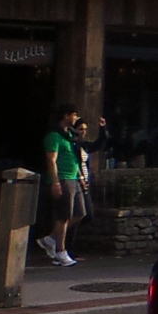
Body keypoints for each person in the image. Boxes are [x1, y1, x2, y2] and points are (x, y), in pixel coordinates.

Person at [37, 107, 102, 268]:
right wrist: (55, 182)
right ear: (66, 115)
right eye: (74, 115)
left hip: (74, 177)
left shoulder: (70, 135)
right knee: (64, 216)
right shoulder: (54, 136)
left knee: (80, 213)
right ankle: (60, 251)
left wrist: (80, 177)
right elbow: (51, 160)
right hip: (63, 178)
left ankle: (51, 239)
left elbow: (75, 158)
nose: (76, 118)